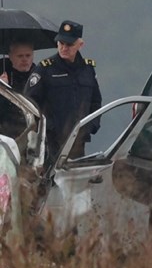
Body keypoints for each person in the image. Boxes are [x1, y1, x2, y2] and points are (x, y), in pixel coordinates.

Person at [25, 20, 102, 162]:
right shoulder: (45, 69)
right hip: (51, 141)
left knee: (75, 179)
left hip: (78, 140)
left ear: (80, 45)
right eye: (61, 43)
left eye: (69, 44)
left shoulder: (87, 69)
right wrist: (47, 127)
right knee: (51, 180)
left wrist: (91, 125)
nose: (64, 48)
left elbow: (96, 101)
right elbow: (29, 102)